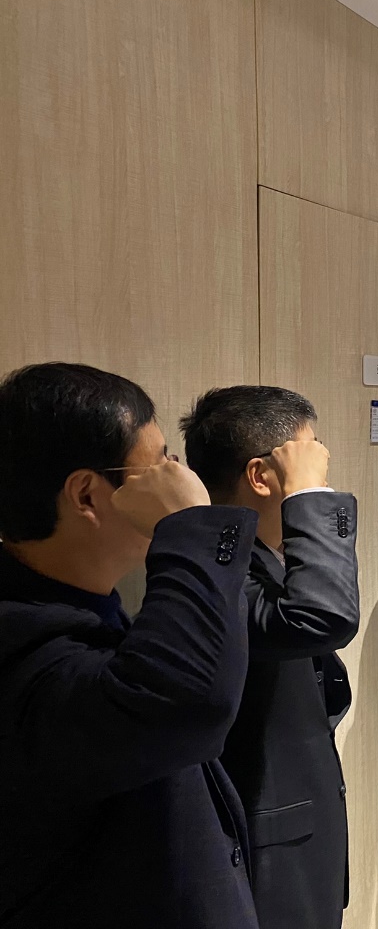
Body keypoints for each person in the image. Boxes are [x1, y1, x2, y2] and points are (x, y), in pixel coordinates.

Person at [0, 363, 260, 927]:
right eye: (159, 463)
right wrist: (194, 524)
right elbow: (190, 701)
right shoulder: (24, 654)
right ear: (87, 494)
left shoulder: (76, 608)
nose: (177, 476)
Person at [181, 387, 359, 929]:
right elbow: (324, 617)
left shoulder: (261, 560)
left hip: (296, 830)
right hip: (268, 856)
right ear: (261, 476)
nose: (321, 465)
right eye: (307, 453)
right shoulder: (222, 575)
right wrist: (308, 493)